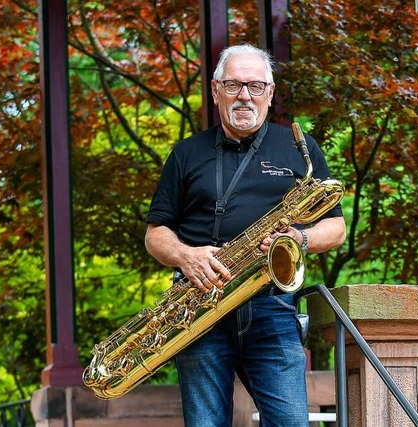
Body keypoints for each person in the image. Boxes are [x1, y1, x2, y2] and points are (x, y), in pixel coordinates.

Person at [144, 44, 346, 427]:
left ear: (269, 93)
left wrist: (299, 241)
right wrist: (186, 255)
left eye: (255, 85)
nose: (244, 95)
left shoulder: (298, 149)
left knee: (291, 423)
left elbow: (336, 228)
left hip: (271, 304)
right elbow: (156, 234)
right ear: (215, 90)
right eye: (234, 84)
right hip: (199, 304)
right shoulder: (186, 153)